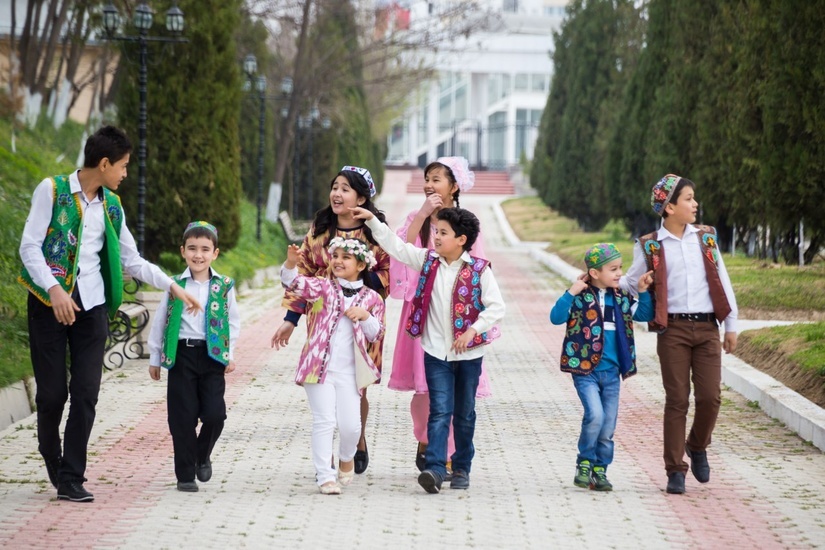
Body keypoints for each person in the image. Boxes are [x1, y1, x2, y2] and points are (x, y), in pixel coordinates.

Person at [18, 125, 202, 502]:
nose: (125, 173)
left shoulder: (112, 207)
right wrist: (54, 290)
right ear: (103, 164)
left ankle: (71, 477)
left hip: (93, 309)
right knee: (52, 395)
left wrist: (173, 285)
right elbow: (29, 246)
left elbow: (130, 260)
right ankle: (50, 451)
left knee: (85, 392)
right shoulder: (51, 191)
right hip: (47, 304)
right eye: (123, 165)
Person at [351, 205, 505, 494]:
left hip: (469, 356)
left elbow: (497, 307)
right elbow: (397, 247)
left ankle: (461, 468)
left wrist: (473, 330)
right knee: (439, 410)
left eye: (443, 233)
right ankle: (434, 469)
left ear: (461, 239)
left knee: (464, 413)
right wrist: (372, 220)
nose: (435, 237)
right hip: (435, 354)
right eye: (436, 231)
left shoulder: (480, 270)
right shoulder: (427, 261)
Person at [622, 174, 738, 495]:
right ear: (670, 207)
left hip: (706, 328)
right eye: (688, 199)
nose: (695, 204)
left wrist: (732, 326)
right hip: (671, 331)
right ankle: (675, 469)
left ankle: (697, 445)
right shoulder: (649, 246)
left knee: (710, 397)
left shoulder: (706, 239)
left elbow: (723, 280)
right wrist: (639, 286)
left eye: (693, 198)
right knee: (677, 400)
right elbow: (629, 283)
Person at [271, 166, 390, 475]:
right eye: (334, 187)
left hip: (363, 316)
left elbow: (389, 271)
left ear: (361, 197)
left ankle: (356, 439)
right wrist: (290, 318)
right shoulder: (321, 229)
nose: (337, 194)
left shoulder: (375, 231)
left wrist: (362, 287)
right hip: (324, 312)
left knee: (358, 384)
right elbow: (304, 273)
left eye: (345, 189)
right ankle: (328, 461)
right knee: (328, 377)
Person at [388, 156, 493, 474]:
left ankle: (445, 453)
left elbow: (480, 266)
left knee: (452, 385)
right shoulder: (415, 219)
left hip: (455, 318)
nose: (429, 185)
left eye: (437, 179)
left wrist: (478, 320)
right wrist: (422, 214)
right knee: (424, 388)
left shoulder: (465, 224)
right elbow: (401, 247)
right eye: (427, 178)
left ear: (454, 185)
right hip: (422, 317)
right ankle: (425, 439)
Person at [274, 238, 385, 494]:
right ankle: (325, 476)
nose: (337, 261)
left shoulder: (372, 299)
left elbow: (376, 334)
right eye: (335, 255)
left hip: (351, 373)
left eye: (345, 257)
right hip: (317, 368)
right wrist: (291, 263)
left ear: (360, 264)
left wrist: (365, 316)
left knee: (351, 427)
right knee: (324, 421)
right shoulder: (323, 287)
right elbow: (295, 283)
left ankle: (346, 457)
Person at [550, 243, 654, 491]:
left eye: (620, 268)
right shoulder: (581, 297)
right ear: (595, 273)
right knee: (595, 416)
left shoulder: (621, 298)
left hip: (611, 373)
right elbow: (555, 317)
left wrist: (643, 292)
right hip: (585, 371)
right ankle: (584, 461)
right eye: (613, 269)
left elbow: (643, 315)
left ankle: (600, 469)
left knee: (607, 426)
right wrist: (571, 292)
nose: (619, 273)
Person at [147, 221, 240, 493]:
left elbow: (233, 321)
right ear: (183, 251)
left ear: (215, 253)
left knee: (215, 414)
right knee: (182, 418)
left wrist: (229, 353)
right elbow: (161, 319)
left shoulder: (224, 285)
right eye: (192, 249)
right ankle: (185, 474)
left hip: (212, 357)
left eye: (204, 249)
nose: (198, 255)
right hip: (181, 355)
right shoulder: (174, 285)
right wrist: (155, 357)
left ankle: (202, 454)